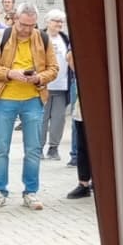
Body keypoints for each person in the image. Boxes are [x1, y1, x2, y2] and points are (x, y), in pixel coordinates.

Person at [0, 2, 58, 211]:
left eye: (31, 25)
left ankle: (31, 191)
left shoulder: (42, 38)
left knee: (33, 148)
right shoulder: (1, 36)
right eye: (24, 24)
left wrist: (38, 77)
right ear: (15, 19)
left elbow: (54, 68)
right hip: (5, 97)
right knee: (0, 147)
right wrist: (9, 73)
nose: (27, 29)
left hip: (33, 99)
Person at [41, 10, 72, 161]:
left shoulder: (65, 39)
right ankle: (37, 147)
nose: (59, 24)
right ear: (47, 22)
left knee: (59, 119)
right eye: (55, 21)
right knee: (41, 118)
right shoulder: (39, 36)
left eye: (61, 21)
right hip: (43, 86)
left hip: (61, 85)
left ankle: (53, 148)